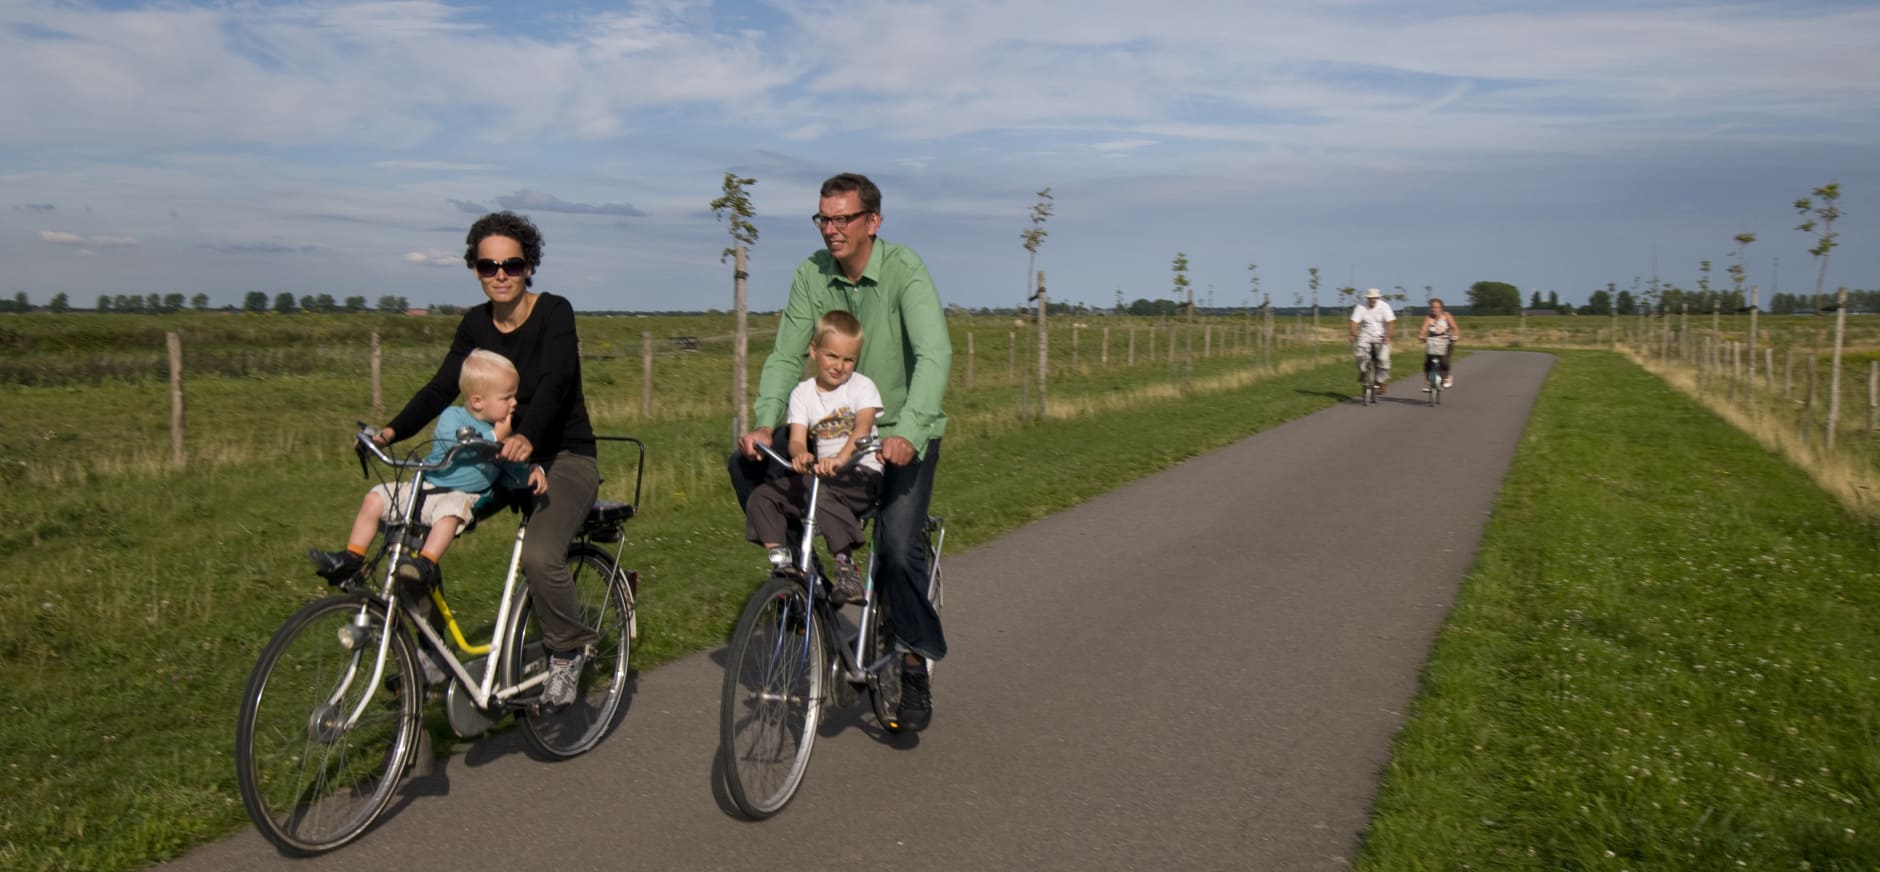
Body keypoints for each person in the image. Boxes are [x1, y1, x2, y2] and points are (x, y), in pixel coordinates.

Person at [730, 172, 952, 731]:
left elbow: (934, 354)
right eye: (823, 218)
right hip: (824, 430)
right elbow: (785, 356)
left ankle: (911, 659)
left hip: (897, 432)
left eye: (842, 219)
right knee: (747, 464)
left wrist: (910, 431)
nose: (830, 229)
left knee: (900, 551)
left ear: (871, 223)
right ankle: (811, 587)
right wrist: (763, 423)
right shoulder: (812, 273)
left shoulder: (904, 270)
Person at [370, 211, 599, 709]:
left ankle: (568, 651)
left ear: (530, 266)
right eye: (487, 264)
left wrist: (526, 436)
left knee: (540, 554)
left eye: (511, 265)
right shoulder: (475, 323)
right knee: (410, 534)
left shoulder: (556, 312)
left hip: (564, 456)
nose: (500, 274)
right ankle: (430, 660)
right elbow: (440, 387)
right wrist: (391, 431)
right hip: (497, 460)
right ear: (474, 268)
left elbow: (557, 386)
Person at [308, 349, 548, 596]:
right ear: (477, 401)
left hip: (460, 497)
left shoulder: (502, 434)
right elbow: (453, 442)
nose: (514, 403)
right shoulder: (453, 417)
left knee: (450, 515)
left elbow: (510, 463)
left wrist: (530, 470)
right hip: (425, 487)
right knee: (376, 497)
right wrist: (496, 436)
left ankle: (423, 565)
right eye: (507, 397)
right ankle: (352, 558)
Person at [742, 310, 883, 603]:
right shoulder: (802, 394)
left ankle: (845, 567)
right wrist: (801, 455)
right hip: (823, 477)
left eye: (848, 359)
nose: (839, 366)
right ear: (814, 351)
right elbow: (796, 439)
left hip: (862, 475)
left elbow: (862, 429)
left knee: (817, 490)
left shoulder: (862, 387)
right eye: (832, 356)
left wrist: (842, 458)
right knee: (763, 497)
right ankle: (783, 565)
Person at [1349, 288, 1396, 395]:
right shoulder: (1361, 307)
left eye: (1374, 298)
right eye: (1370, 298)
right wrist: (1353, 333)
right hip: (1365, 335)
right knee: (1360, 353)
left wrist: (1388, 335)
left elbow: (1391, 322)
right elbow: (1354, 322)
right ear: (1367, 298)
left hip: (1381, 335)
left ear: (1378, 298)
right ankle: (1363, 372)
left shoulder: (1384, 306)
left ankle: (1380, 381)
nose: (1372, 300)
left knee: (1383, 360)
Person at [1419, 297, 1461, 390]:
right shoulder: (1428, 317)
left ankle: (1447, 377)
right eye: (1433, 307)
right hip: (1432, 342)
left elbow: (1455, 328)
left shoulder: (1446, 316)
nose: (1435, 309)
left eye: (1437, 307)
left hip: (1445, 341)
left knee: (1444, 361)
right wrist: (1421, 336)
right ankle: (1427, 382)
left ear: (1441, 308)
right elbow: (1424, 329)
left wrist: (1454, 336)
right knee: (1427, 363)